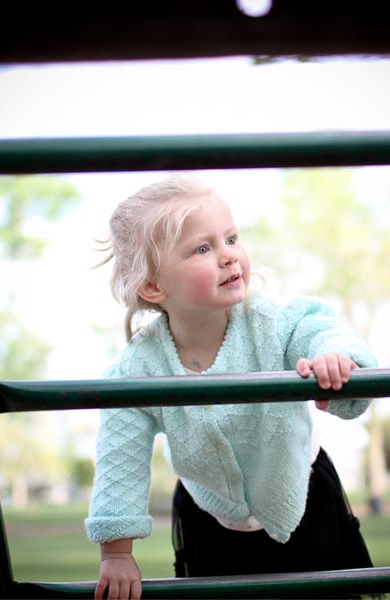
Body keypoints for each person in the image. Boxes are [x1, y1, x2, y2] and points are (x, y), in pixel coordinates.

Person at [86, 173, 375, 600]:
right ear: (152, 285)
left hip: (304, 498)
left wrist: (334, 356)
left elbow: (319, 327)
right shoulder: (139, 368)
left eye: (232, 238)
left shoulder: (271, 323)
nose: (228, 256)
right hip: (209, 518)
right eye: (203, 248)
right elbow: (120, 459)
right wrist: (116, 553)